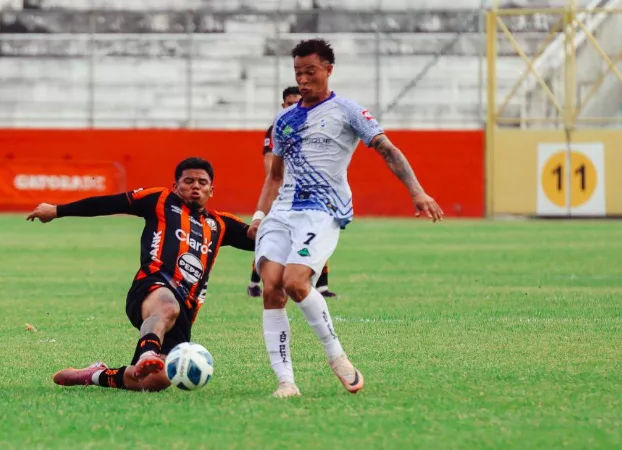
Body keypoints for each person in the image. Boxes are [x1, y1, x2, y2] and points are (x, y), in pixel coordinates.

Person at [247, 39, 444, 398]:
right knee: (271, 286)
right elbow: (274, 177)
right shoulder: (284, 120)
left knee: (295, 281)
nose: (303, 80)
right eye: (297, 73)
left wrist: (417, 191)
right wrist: (260, 214)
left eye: (310, 72)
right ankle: (286, 382)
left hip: (322, 210)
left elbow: (387, 149)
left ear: (328, 70)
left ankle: (337, 358)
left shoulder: (348, 111)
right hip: (282, 212)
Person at [27, 157, 255, 392]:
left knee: (155, 380)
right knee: (168, 306)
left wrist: (267, 228)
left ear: (211, 189)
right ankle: (148, 352)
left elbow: (260, 240)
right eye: (188, 181)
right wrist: (57, 210)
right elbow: (110, 204)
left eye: (202, 182)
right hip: (152, 285)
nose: (195, 186)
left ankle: (95, 374)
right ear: (176, 185)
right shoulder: (160, 200)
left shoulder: (220, 224)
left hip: (186, 307)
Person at [247, 86, 336, 299]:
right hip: (283, 194)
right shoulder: (278, 127)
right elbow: (270, 165)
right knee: (269, 236)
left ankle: (321, 286)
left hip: (307, 193)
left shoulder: (312, 127)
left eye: (297, 103)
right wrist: (280, 185)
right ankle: (254, 282)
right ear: (283, 105)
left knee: (316, 233)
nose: (293, 107)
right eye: (289, 104)